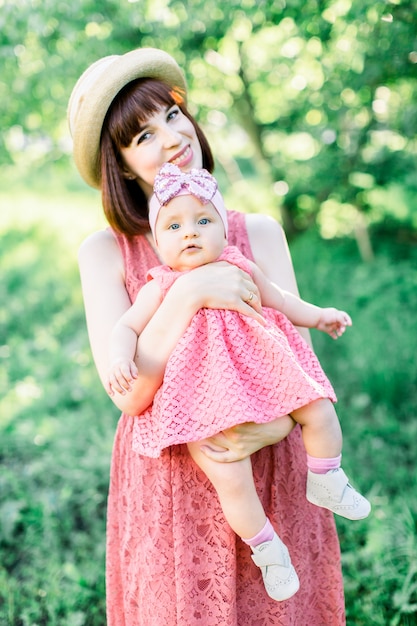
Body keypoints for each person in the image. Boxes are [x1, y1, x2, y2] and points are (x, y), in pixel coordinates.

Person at [68, 47, 352, 624]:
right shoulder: (105, 252)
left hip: (268, 460)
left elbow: (295, 363)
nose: (172, 137)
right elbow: (129, 395)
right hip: (174, 477)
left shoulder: (259, 233)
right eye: (142, 136)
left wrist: (267, 428)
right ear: (120, 165)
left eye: (172, 116)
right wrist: (193, 292)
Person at [106, 163, 370, 601]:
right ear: (157, 243)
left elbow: (282, 300)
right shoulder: (162, 286)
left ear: (225, 232)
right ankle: (267, 549)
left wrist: (320, 316)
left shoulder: (238, 264)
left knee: (320, 405)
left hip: (261, 381)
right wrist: (120, 354)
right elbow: (127, 327)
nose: (190, 232)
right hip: (199, 399)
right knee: (231, 475)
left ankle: (327, 475)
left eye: (204, 220)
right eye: (174, 225)